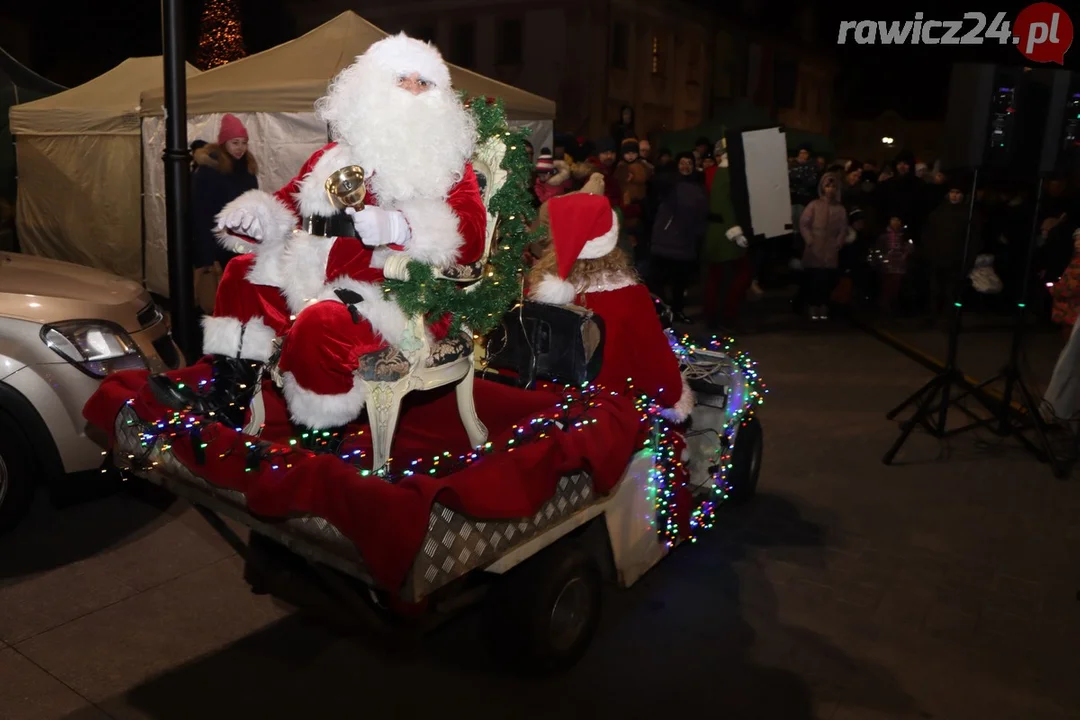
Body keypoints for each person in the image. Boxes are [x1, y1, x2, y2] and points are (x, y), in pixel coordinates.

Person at [149, 33, 487, 439]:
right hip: (314, 274)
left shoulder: (448, 164)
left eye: (425, 83)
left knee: (321, 321)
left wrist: (401, 226)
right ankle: (228, 394)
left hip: (399, 295)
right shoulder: (334, 156)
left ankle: (320, 431)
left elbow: (471, 233)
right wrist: (257, 217)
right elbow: (290, 199)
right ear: (371, 88)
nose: (414, 90)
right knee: (241, 273)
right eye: (402, 79)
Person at [527, 192, 693, 422]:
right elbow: (658, 370)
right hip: (604, 416)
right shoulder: (629, 296)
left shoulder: (533, 290)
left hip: (543, 412)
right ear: (611, 239)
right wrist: (675, 396)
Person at [190, 115, 259, 315]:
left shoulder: (247, 168)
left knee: (240, 298)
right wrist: (206, 257)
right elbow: (201, 214)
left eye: (244, 143)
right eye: (235, 142)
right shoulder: (210, 171)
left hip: (242, 242)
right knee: (218, 301)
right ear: (223, 143)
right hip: (219, 245)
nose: (240, 147)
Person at [649, 151, 708, 323]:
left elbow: (702, 212)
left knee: (680, 281)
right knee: (659, 279)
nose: (686, 166)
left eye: (689, 163)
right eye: (682, 162)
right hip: (666, 239)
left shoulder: (698, 186)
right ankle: (661, 310)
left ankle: (677, 310)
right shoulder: (669, 183)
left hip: (685, 241)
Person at [702, 145, 751, 331]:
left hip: (720, 232)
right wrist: (735, 229)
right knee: (727, 278)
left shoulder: (718, 172)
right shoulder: (722, 173)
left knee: (720, 278)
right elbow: (723, 203)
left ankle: (719, 317)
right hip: (725, 233)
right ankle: (723, 318)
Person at [923, 179, 981, 321]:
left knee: (951, 292)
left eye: (958, 193)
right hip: (937, 258)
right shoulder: (938, 212)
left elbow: (974, 240)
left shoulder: (969, 214)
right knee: (935, 290)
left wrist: (968, 261)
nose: (954, 195)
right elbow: (928, 235)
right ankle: (933, 317)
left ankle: (948, 319)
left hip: (956, 260)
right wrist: (928, 254)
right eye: (952, 192)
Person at [799, 173, 850, 321]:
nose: (830, 189)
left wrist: (839, 241)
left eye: (833, 186)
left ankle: (823, 304)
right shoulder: (814, 205)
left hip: (831, 246)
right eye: (827, 186)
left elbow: (843, 227)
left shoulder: (840, 209)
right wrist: (809, 239)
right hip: (815, 244)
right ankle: (812, 304)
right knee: (813, 277)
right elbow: (804, 223)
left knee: (827, 278)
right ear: (822, 187)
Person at [876, 216, 912, 315]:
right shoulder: (884, 236)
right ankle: (884, 307)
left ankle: (893, 306)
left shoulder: (904, 235)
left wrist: (905, 254)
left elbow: (909, 248)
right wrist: (883, 259)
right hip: (887, 265)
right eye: (893, 220)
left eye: (897, 220)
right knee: (886, 286)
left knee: (896, 287)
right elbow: (879, 249)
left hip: (899, 265)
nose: (895, 223)